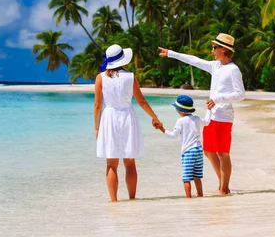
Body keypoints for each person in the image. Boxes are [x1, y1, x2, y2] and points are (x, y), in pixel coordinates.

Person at [159, 33, 245, 195]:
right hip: (211, 116)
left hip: (224, 118)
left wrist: (218, 98)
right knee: (208, 151)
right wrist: (171, 53)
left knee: (222, 153)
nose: (212, 50)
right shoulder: (216, 66)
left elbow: (240, 94)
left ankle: (224, 188)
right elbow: (194, 60)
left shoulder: (233, 70)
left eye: (214, 47)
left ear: (223, 49)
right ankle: (222, 185)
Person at [94, 44, 163, 202]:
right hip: (127, 116)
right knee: (130, 162)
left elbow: (97, 105)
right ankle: (132, 199)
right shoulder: (130, 77)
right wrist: (155, 117)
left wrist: (97, 127)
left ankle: (114, 201)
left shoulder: (100, 78)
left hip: (109, 117)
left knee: (112, 163)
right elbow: (142, 102)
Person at [159, 95, 211, 198]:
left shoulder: (180, 121)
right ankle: (200, 196)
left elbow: (173, 135)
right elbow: (207, 122)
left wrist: (162, 128)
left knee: (186, 178)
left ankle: (189, 198)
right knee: (197, 177)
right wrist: (209, 109)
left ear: (179, 110)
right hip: (199, 150)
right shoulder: (196, 118)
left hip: (188, 152)